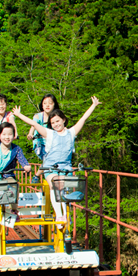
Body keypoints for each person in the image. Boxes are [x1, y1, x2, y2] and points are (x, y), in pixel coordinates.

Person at [13, 95, 101, 227]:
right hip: (50, 168)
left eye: (58, 121)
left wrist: (93, 105)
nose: (56, 124)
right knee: (56, 185)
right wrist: (19, 115)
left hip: (66, 168)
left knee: (68, 191)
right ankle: (59, 215)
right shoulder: (49, 133)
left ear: (64, 120)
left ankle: (66, 213)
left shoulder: (71, 132)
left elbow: (83, 119)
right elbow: (34, 123)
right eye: (53, 123)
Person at [0, 122, 31, 252]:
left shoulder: (16, 149)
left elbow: (22, 160)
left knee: (13, 184)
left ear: (14, 136)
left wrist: (26, 166)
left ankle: (14, 210)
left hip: (7, 177)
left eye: (10, 134)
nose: (7, 137)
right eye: (4, 134)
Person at [27, 94, 60, 161]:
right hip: (40, 143)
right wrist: (30, 134)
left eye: (50, 103)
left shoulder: (56, 117)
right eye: (45, 103)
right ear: (42, 105)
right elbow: (33, 125)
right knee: (47, 160)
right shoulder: (38, 116)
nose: (47, 105)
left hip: (51, 144)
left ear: (54, 105)